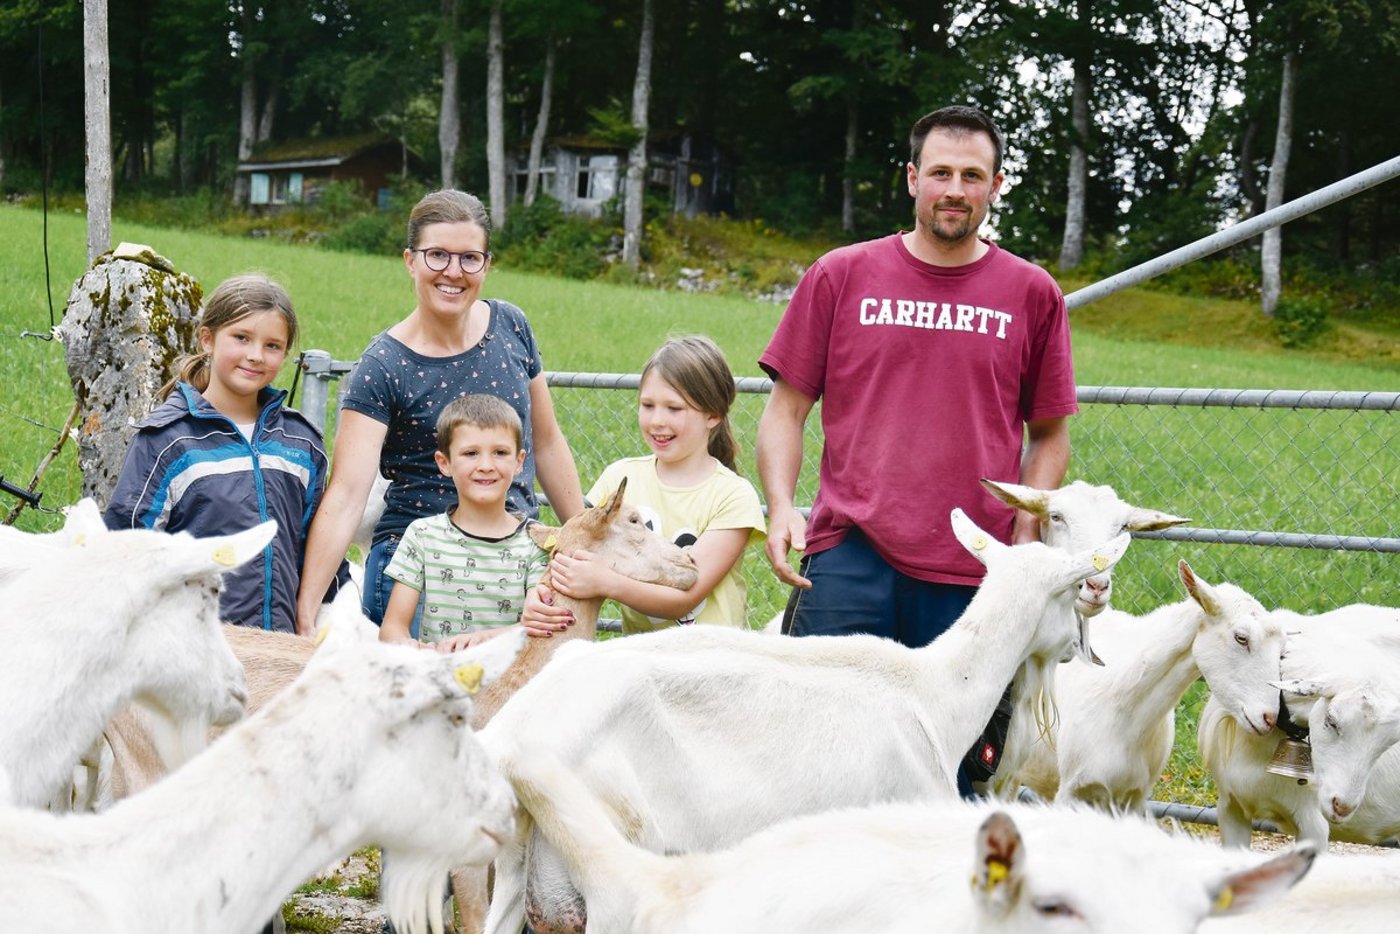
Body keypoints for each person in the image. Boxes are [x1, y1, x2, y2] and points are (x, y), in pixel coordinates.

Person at [755, 105, 1078, 787]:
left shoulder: (1032, 294)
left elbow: (1049, 435)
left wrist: (1027, 522)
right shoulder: (842, 276)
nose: (954, 189)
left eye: (972, 175)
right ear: (911, 179)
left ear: (996, 186)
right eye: (940, 173)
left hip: (975, 570)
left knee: (950, 771)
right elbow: (786, 411)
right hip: (849, 553)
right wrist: (782, 505)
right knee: (811, 756)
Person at [294, 189, 584, 638]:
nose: (453, 272)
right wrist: (307, 610)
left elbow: (545, 442)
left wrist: (579, 535)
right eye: (437, 256)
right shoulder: (383, 365)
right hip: (421, 563)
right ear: (410, 260)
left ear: (487, 264)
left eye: (470, 258)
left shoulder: (512, 327)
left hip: (516, 551)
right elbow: (349, 491)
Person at [105, 273, 346, 633]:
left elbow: (318, 550)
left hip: (280, 649)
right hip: (191, 648)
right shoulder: (167, 440)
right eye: (241, 338)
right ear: (207, 339)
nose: (255, 356)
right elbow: (126, 550)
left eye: (272, 346)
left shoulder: (301, 443)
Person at [525, 336, 765, 634]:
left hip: (710, 664)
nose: (657, 421)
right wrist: (540, 594)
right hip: (641, 665)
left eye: (674, 408)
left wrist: (606, 582)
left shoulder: (733, 496)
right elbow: (575, 549)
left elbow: (685, 596)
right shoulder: (619, 478)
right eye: (647, 405)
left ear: (713, 414)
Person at [379, 394, 548, 651]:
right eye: (470, 453)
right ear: (444, 463)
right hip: (443, 677)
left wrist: (480, 641)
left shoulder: (536, 542)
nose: (486, 465)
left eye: (500, 453)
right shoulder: (423, 535)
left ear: (519, 462)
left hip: (511, 684)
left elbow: (537, 627)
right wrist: (420, 652)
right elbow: (392, 629)